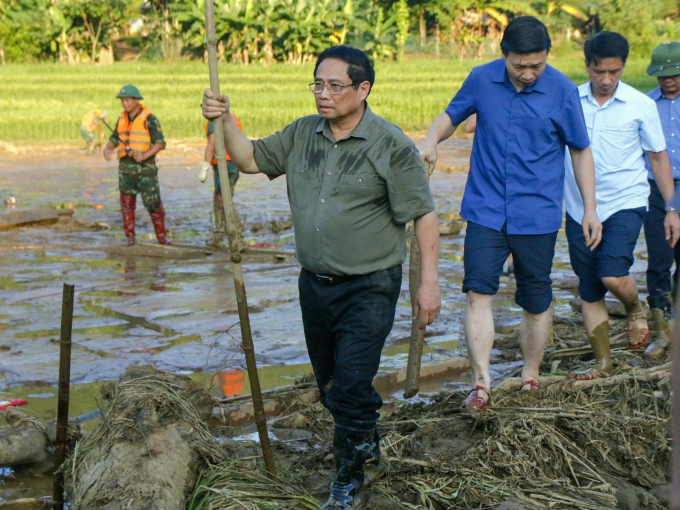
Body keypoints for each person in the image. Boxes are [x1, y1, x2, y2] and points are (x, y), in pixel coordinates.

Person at [202, 45, 441, 510]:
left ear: (363, 89)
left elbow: (424, 217)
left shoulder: (390, 145)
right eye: (317, 84)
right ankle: (368, 452)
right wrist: (224, 118)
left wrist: (427, 284)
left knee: (351, 386)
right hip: (315, 285)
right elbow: (249, 159)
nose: (323, 94)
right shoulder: (302, 134)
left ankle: (347, 480)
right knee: (334, 388)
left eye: (335, 85)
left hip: (370, 286)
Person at [419, 16, 602, 411]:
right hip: (485, 208)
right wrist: (432, 139)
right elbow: (451, 116)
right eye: (520, 65)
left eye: (537, 65)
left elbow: (580, 150)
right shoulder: (482, 79)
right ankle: (481, 384)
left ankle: (530, 376)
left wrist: (590, 208)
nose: (528, 73)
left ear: (547, 58)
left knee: (535, 299)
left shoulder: (562, 91)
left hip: (537, 213)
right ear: (504, 56)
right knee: (477, 292)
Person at [563, 32, 679, 380]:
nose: (606, 80)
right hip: (578, 207)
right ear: (587, 66)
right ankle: (603, 363)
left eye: (614, 72)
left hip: (626, 201)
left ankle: (633, 306)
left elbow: (658, 159)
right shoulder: (569, 100)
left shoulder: (640, 104)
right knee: (589, 286)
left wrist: (671, 207)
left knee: (612, 273)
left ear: (623, 67)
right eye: (599, 72)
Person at [643, 41, 680, 359]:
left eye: (675, 74)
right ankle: (664, 333)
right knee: (658, 260)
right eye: (662, 76)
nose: (668, 81)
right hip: (654, 190)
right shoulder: (646, 104)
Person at [103, 84, 170, 246]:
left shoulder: (149, 119)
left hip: (145, 169)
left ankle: (161, 236)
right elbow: (115, 137)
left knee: (153, 202)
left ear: (136, 101)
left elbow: (160, 143)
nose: (124, 104)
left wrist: (144, 155)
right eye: (122, 101)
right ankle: (130, 237)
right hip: (126, 169)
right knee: (126, 203)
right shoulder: (121, 119)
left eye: (127, 100)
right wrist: (107, 148)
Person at [201, 115, 245, 249]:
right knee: (222, 199)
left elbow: (211, 143)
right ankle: (219, 237)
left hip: (223, 164)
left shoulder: (215, 120)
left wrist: (205, 166)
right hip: (234, 164)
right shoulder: (233, 118)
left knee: (223, 201)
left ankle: (237, 239)